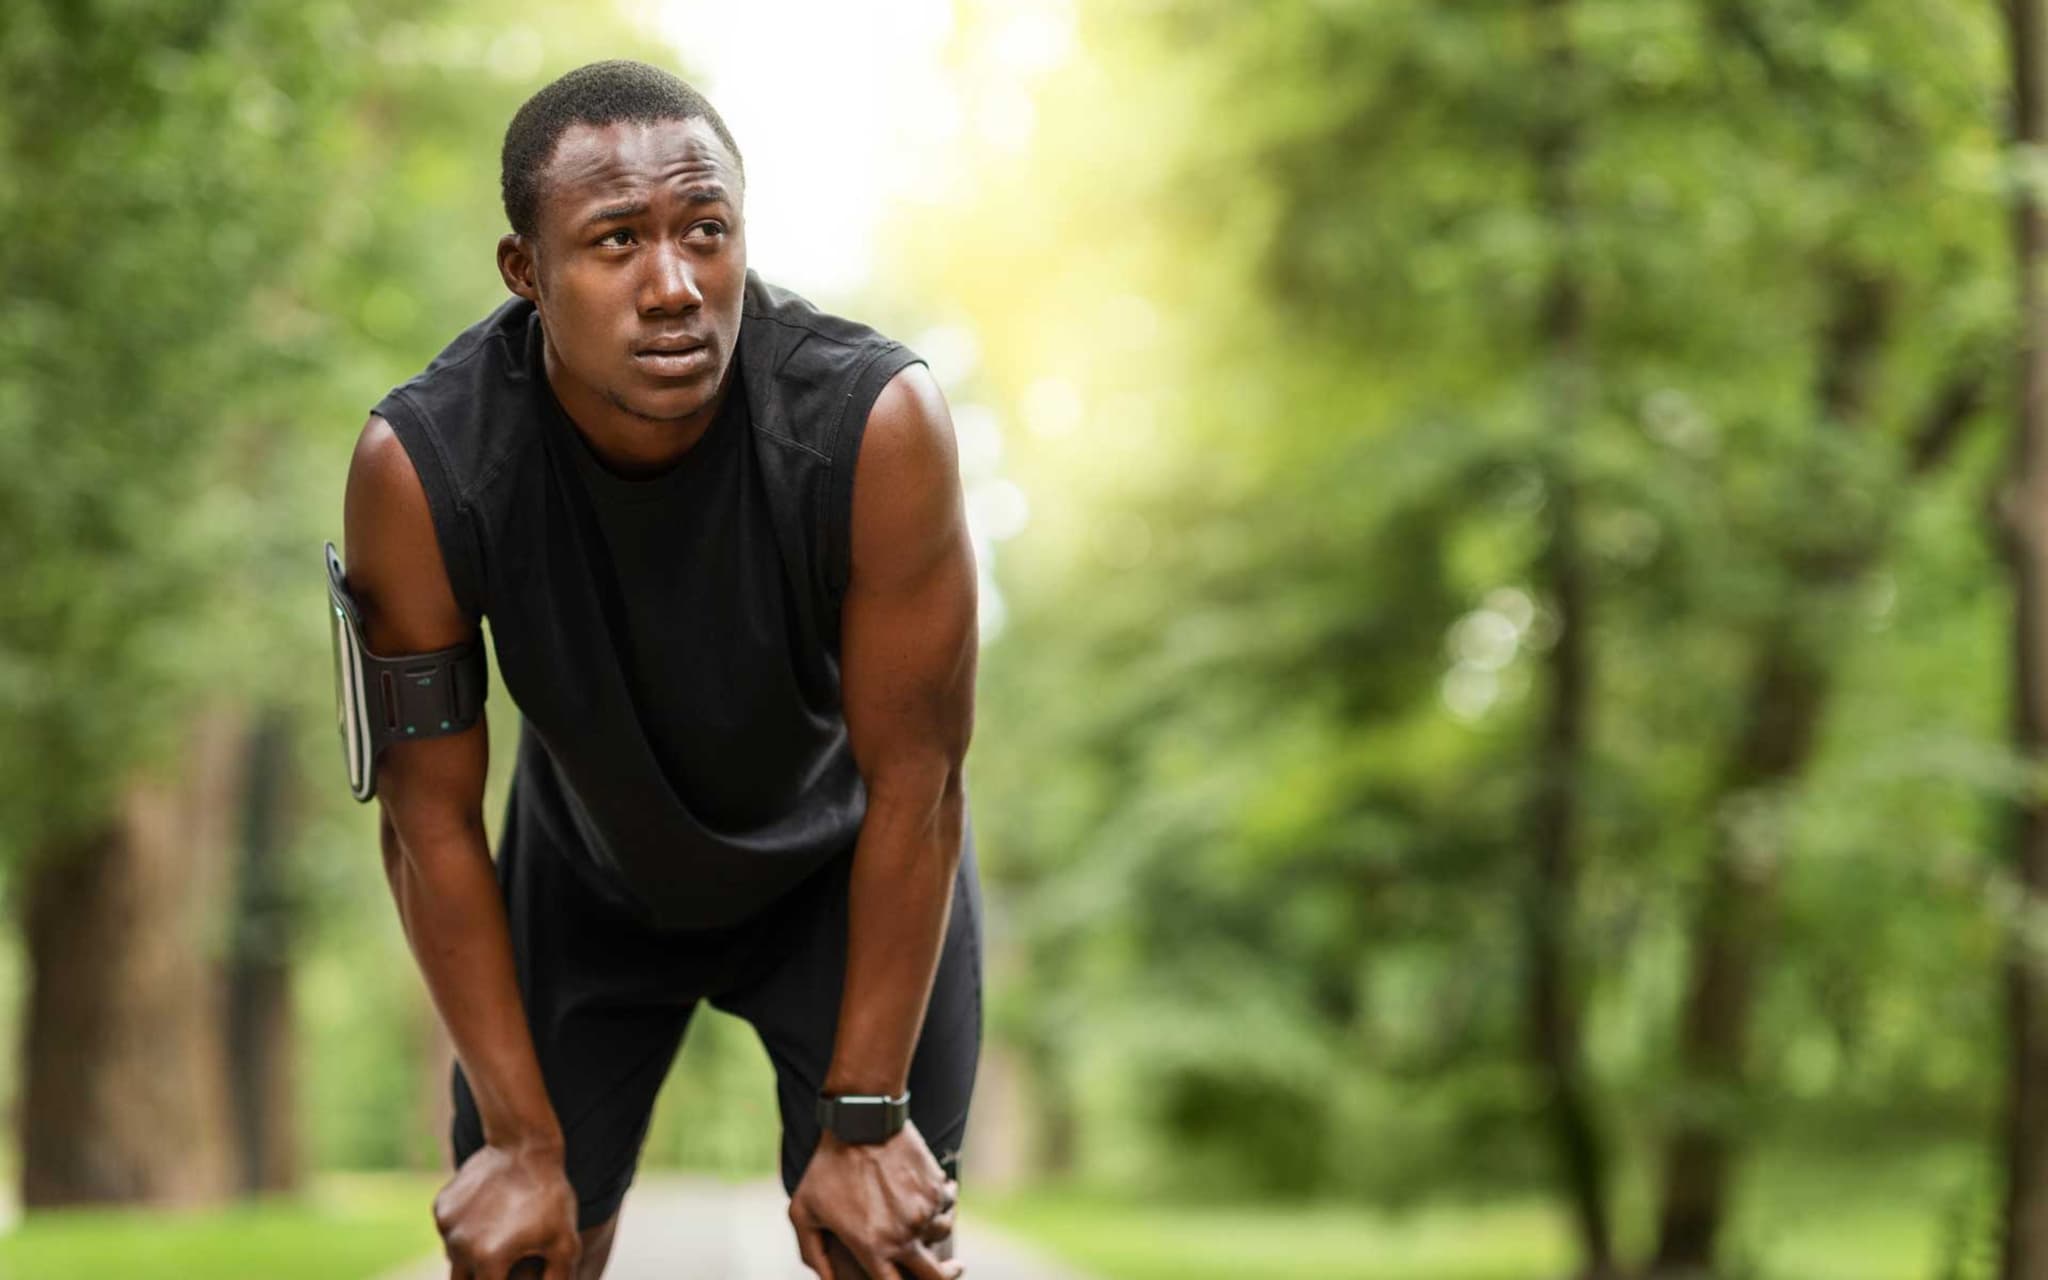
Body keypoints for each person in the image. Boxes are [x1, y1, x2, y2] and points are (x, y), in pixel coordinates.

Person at [340, 59, 980, 1280]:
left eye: (704, 231)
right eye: (615, 241)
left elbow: (920, 784)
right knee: (525, 1245)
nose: (674, 286)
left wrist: (861, 1120)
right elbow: (427, 818)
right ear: (525, 272)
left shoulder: (873, 423)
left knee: (878, 1239)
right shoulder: (425, 468)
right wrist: (524, 1140)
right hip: (582, 886)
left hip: (846, 870)